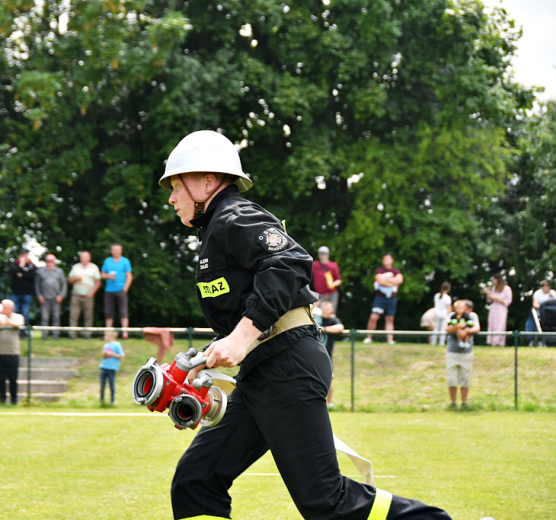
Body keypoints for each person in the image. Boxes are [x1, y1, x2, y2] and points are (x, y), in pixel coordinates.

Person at [161, 130, 450, 520]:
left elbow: (290, 262)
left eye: (176, 185)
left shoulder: (234, 216)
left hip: (288, 366)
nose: (171, 197)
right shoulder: (215, 231)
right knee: (197, 480)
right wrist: (210, 360)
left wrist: (243, 337)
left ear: (207, 182)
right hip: (264, 371)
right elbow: (247, 311)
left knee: (326, 503)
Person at [445, 300, 480, 409]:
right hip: (452, 351)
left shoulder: (472, 316)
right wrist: (457, 327)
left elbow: (477, 328)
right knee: (452, 379)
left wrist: (466, 331)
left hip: (466, 352)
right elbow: (447, 328)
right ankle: (453, 403)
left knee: (465, 378)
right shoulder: (452, 316)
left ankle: (464, 403)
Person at [364, 253, 404, 344]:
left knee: (390, 319)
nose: (386, 261)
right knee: (374, 317)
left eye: (388, 259)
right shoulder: (379, 270)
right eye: (384, 259)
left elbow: (400, 280)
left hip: (391, 298)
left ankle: (390, 340)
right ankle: (369, 337)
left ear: (392, 260)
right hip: (380, 298)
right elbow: (380, 281)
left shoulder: (396, 271)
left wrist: (387, 281)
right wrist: (392, 282)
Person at [0, 299, 24, 405]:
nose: (3, 309)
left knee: (13, 378)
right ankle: (2, 399)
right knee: (1, 378)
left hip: (13, 353)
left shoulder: (18, 316)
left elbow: (19, 324)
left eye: (5, 307)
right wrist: (1, 321)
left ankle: (14, 400)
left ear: (11, 309)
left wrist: (8, 322)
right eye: (2, 307)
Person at [101, 244, 133, 339]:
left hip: (121, 290)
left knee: (123, 312)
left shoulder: (125, 261)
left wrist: (125, 289)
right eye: (114, 250)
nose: (116, 252)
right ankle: (107, 334)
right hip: (109, 290)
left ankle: (125, 334)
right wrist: (108, 276)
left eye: (118, 250)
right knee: (108, 313)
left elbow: (129, 276)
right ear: (111, 251)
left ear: (121, 251)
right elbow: (102, 274)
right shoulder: (107, 261)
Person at [68, 251, 101, 339]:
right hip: (76, 294)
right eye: (82, 257)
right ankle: (72, 335)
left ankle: (87, 335)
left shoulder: (94, 267)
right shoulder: (75, 267)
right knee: (74, 315)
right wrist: (75, 278)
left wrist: (92, 293)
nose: (84, 258)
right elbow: (70, 280)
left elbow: (98, 282)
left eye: (86, 257)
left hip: (88, 295)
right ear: (80, 258)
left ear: (89, 258)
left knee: (88, 316)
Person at [36, 254, 67, 340]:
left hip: (56, 297)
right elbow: (37, 285)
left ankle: (56, 336)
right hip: (44, 298)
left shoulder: (60, 272)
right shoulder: (40, 271)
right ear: (46, 261)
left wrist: (61, 295)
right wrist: (39, 295)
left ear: (55, 262)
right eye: (48, 260)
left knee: (56, 317)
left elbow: (64, 284)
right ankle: (44, 335)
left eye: (52, 261)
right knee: (44, 317)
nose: (50, 262)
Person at [319, 300, 344, 409]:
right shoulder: (316, 319)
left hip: (327, 355)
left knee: (328, 380)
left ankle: (329, 403)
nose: (325, 311)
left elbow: (340, 328)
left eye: (327, 309)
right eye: (323, 308)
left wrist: (323, 329)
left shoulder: (333, 320)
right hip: (313, 354)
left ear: (332, 310)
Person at [11, 248, 37, 335]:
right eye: (21, 255)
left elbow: (32, 275)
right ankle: (15, 332)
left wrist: (22, 275)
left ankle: (23, 332)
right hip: (16, 293)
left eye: (24, 255)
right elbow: (13, 272)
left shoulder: (31, 265)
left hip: (27, 293)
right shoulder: (16, 264)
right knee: (15, 312)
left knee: (25, 313)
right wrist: (21, 267)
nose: (23, 256)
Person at [483, 273, 512, 346]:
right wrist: (487, 293)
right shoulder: (494, 288)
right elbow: (490, 299)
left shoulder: (506, 288)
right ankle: (491, 342)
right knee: (492, 324)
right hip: (493, 308)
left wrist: (495, 298)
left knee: (500, 325)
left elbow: (508, 301)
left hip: (501, 308)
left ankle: (498, 342)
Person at [312, 246, 342, 310]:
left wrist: (333, 284)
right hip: (319, 294)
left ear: (328, 255)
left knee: (331, 313)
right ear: (318, 255)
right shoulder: (314, 265)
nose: (323, 256)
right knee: (317, 312)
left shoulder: (333, 265)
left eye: (325, 254)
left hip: (332, 293)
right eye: (321, 254)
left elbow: (338, 280)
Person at [99, 331, 124, 405]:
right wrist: (104, 354)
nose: (104, 336)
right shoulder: (106, 345)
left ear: (111, 336)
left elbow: (121, 355)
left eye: (106, 335)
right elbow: (104, 357)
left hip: (112, 368)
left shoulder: (117, 345)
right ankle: (101, 400)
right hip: (103, 367)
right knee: (102, 385)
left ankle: (112, 401)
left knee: (111, 385)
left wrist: (111, 354)